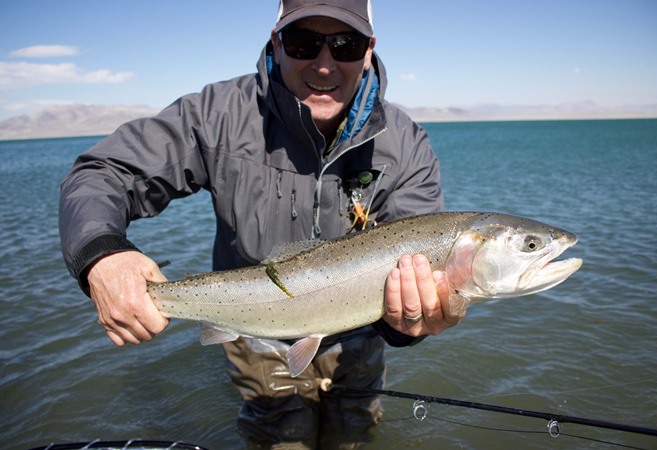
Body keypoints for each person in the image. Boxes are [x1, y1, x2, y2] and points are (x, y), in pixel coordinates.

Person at [59, 0, 468, 448]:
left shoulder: (406, 145)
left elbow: (413, 292)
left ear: (369, 50)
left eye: (345, 45)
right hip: (253, 334)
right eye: (303, 43)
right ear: (276, 42)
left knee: (352, 437)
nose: (325, 64)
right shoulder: (218, 115)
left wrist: (406, 323)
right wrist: (101, 252)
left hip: (358, 341)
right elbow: (102, 173)